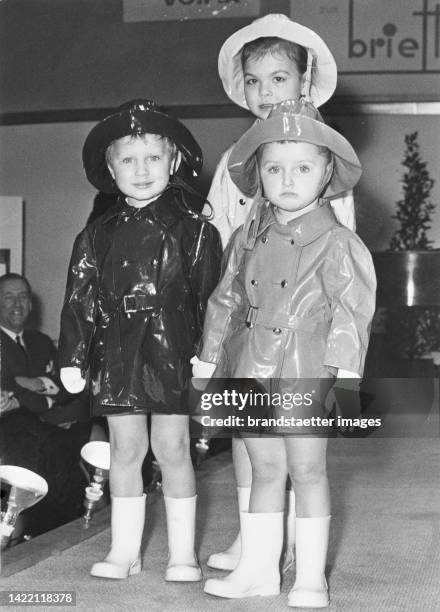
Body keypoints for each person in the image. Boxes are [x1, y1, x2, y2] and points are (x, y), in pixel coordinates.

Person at [194, 98, 376, 606]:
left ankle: (311, 576)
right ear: (258, 176)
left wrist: (343, 379)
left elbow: (351, 313)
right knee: (263, 467)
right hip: (251, 363)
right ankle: (258, 569)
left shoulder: (339, 243)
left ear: (326, 175)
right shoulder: (246, 237)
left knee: (308, 468)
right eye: (274, 168)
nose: (287, 179)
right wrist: (209, 360)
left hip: (305, 365)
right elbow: (225, 299)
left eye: (302, 167)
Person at [199, 12, 348, 575]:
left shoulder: (323, 152)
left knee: (296, 446)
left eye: (279, 79)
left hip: (301, 329)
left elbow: (341, 248)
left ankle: (293, 539)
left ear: (304, 80)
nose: (266, 93)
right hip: (248, 320)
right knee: (247, 434)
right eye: (255, 81)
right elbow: (219, 242)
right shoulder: (237, 158)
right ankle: (253, 536)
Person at [58, 99, 222, 581]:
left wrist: (208, 355)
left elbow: (212, 298)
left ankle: (182, 554)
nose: (142, 169)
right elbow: (79, 297)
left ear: (173, 161)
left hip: (173, 346)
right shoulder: (96, 234)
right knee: (124, 449)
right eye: (128, 159)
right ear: (110, 169)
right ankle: (124, 550)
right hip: (118, 350)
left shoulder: (196, 230)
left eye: (153, 157)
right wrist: (73, 355)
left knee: (173, 446)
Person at [0, 272, 90, 539]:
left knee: (75, 439)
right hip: (11, 430)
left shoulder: (40, 341)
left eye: (24, 297)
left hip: (44, 425)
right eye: (9, 298)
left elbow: (64, 385)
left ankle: (61, 531)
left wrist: (30, 385)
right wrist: (34, 390)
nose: (18, 304)